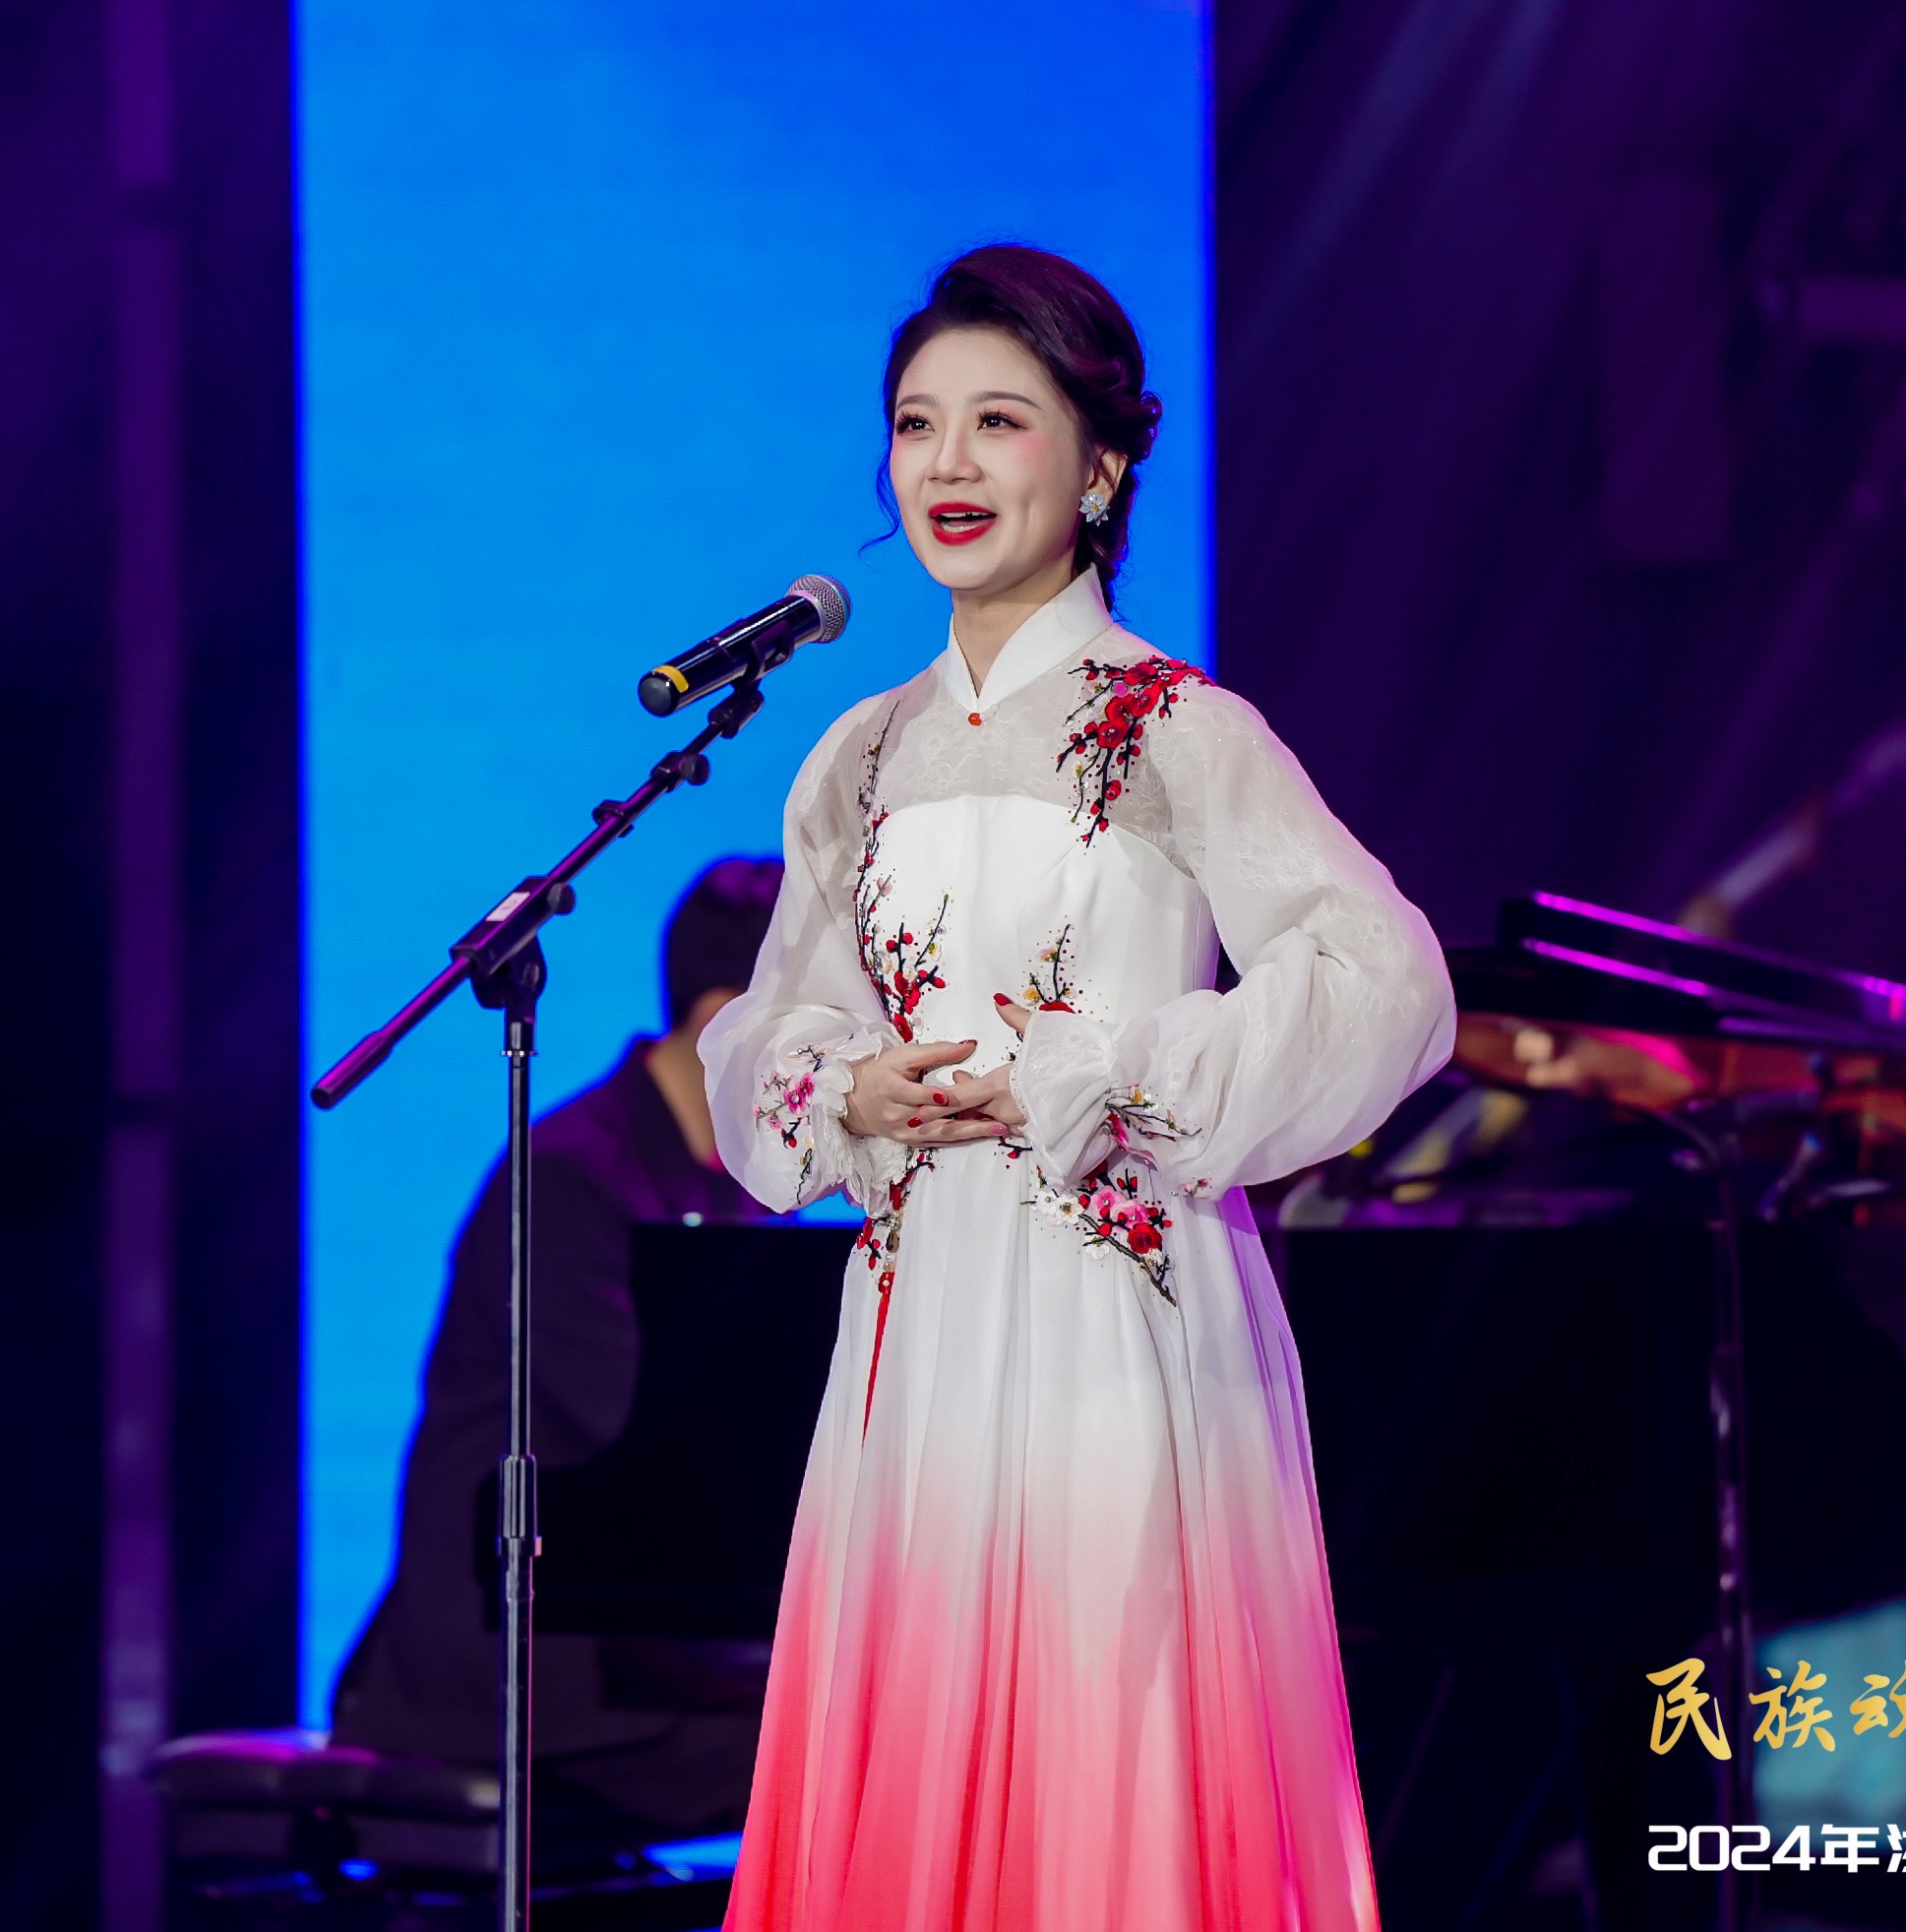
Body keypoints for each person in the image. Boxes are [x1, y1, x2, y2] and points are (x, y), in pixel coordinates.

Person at [702, 246, 1454, 1931]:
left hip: (1114, 1304)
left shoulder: (1178, 727)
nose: (948, 462)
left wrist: (1125, 1071)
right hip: (917, 1316)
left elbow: (1387, 977)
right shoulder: (855, 755)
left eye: (999, 419)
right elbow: (765, 1033)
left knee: (1109, 1736)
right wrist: (850, 1085)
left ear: (1100, 462)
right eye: (917, 424)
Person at [330, 856, 783, 1834]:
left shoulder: (725, 1190)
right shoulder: (576, 1180)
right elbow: (641, 1437)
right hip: (519, 1657)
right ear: (723, 1020)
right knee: (853, 1748)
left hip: (632, 1638)